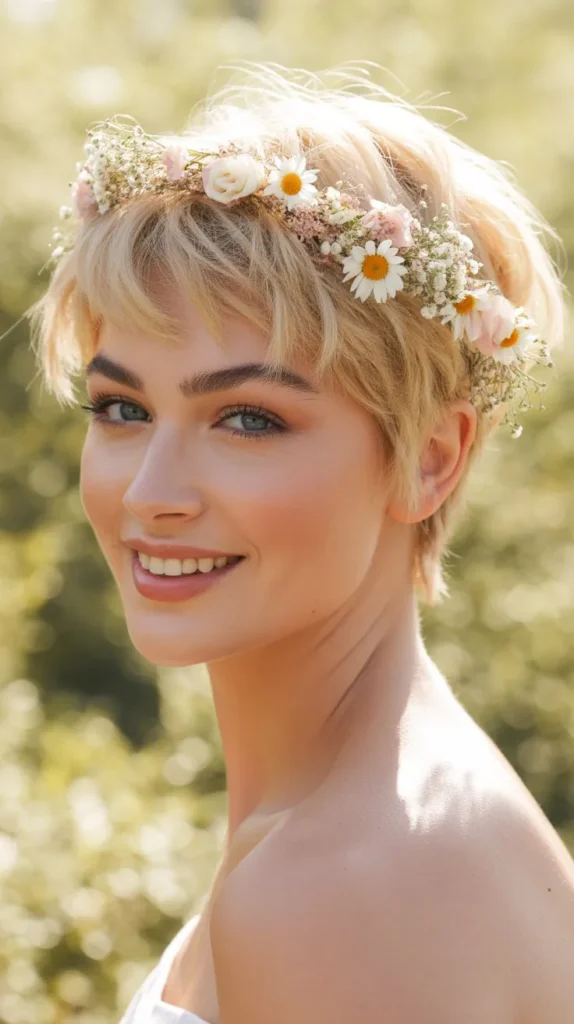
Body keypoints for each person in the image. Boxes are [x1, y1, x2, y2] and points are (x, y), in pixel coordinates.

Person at [29, 63, 574, 1023]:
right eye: (121, 408)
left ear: (430, 459)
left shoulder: (344, 885)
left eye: (247, 419)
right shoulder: (381, 826)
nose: (150, 494)